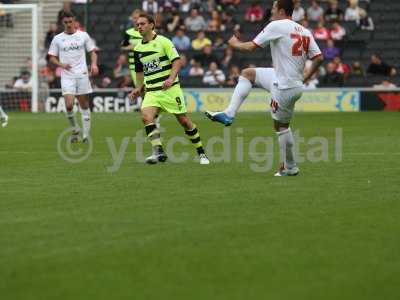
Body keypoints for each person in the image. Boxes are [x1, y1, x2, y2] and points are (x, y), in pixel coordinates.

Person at [205, 0, 323, 176]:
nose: (271, 11)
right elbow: (319, 58)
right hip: (287, 80)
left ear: (282, 11)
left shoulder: (276, 25)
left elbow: (251, 47)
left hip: (284, 86)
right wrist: (305, 78)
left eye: (274, 8)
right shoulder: (304, 31)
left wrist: (234, 44)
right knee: (248, 74)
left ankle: (290, 167)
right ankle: (229, 113)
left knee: (281, 127)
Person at [129, 13, 209, 165]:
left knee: (185, 122)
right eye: (137, 24)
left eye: (142, 23)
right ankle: (158, 150)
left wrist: (171, 78)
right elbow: (140, 72)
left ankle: (201, 152)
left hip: (170, 89)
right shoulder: (138, 49)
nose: (139, 26)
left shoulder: (164, 41)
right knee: (146, 116)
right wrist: (139, 87)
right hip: (152, 91)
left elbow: (177, 62)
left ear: (152, 25)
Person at [48, 11, 98, 143]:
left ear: (74, 21)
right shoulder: (58, 38)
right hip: (67, 76)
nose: (69, 24)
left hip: (81, 74)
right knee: (69, 105)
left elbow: (93, 52)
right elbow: (52, 57)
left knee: (84, 105)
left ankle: (86, 135)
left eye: (71, 21)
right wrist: (61, 64)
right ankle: (75, 129)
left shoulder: (83, 36)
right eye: (66, 22)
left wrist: (93, 64)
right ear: (62, 23)